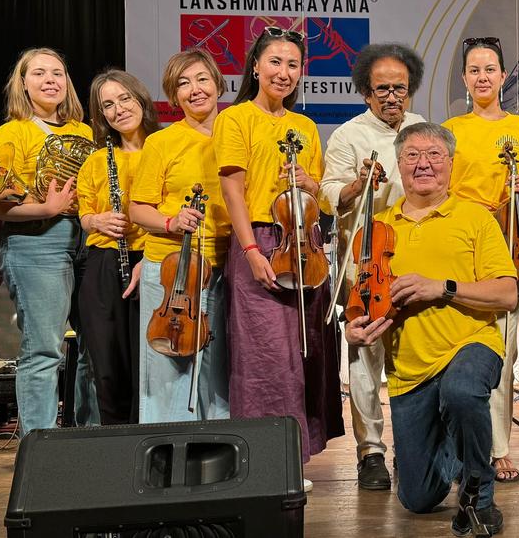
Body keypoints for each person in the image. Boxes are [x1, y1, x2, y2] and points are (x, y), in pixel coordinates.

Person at [345, 122, 517, 536]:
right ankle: (453, 448)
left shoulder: (476, 218)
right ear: (399, 165)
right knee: (418, 500)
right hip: (409, 368)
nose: (424, 164)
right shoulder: (377, 229)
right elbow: (358, 303)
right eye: (412, 155)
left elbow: (507, 294)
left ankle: (480, 498)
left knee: (461, 390)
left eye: (434, 154)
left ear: (451, 163)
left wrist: (442, 288)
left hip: (470, 344)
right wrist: (353, 329)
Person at [214, 28, 343, 493]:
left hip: (302, 242)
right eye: (275, 62)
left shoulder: (305, 127)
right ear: (255, 67)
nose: (284, 72)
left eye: (293, 64)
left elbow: (320, 198)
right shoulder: (235, 119)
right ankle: (263, 460)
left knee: (305, 353)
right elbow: (233, 190)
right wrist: (250, 251)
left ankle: (293, 458)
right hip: (260, 242)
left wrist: (309, 184)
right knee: (264, 355)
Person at [317, 42, 425, 491]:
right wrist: (360, 183)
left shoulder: (423, 130)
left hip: (415, 260)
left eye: (400, 88)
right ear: (365, 92)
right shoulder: (348, 135)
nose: (392, 97)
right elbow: (327, 194)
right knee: (365, 358)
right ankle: (371, 451)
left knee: (415, 355)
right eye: (382, 89)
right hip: (364, 263)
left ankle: (414, 444)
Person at [0, 47, 100, 436]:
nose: (50, 80)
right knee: (45, 349)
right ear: (23, 84)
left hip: (87, 240)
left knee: (95, 345)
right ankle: (40, 444)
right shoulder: (11, 132)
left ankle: (91, 436)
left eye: (57, 73)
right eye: (39, 73)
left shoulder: (84, 133)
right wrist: (46, 209)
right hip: (37, 243)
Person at [443, 36, 519, 484]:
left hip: (507, 241)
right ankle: (455, 444)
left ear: (504, 76)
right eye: (474, 70)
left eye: (490, 69)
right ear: (465, 79)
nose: (483, 77)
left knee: (503, 347)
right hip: (462, 239)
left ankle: (498, 447)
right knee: (456, 344)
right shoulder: (451, 129)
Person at [129, 48, 231, 423]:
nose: (194, 90)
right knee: (168, 372)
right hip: (173, 268)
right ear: (174, 96)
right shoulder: (161, 142)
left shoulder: (237, 132)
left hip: (226, 265)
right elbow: (138, 210)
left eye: (202, 79)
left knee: (220, 370)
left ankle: (219, 457)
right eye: (182, 84)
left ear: (218, 83)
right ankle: (166, 455)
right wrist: (172, 222)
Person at [75, 69, 160, 425]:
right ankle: (116, 447)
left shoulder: (164, 148)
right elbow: (84, 214)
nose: (118, 109)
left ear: (140, 99)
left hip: (153, 259)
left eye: (125, 99)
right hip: (105, 263)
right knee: (108, 365)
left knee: (150, 365)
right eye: (107, 105)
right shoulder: (97, 160)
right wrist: (97, 221)